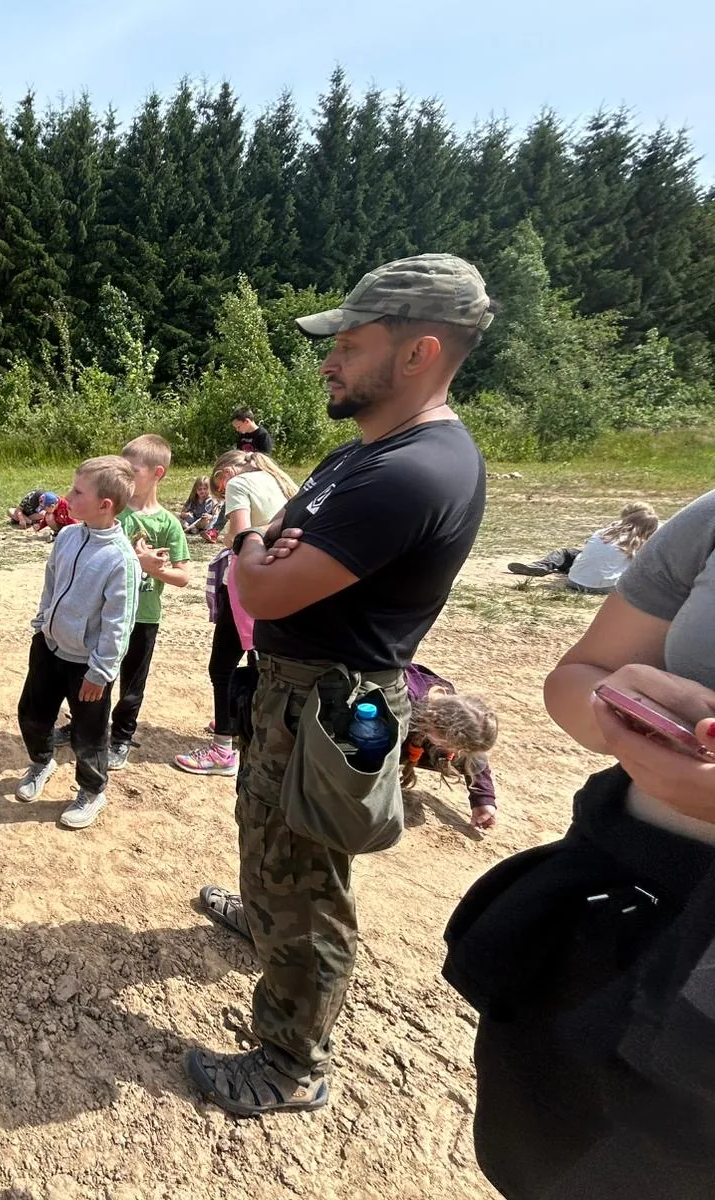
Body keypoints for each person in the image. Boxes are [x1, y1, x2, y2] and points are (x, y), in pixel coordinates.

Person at [188, 255, 494, 1117]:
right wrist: (268, 546)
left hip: (338, 703)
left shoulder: (414, 471)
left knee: (312, 886)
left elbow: (264, 581)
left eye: (350, 345)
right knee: (267, 831)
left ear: (418, 353)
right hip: (294, 691)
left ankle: (291, 1063)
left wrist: (249, 545)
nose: (329, 362)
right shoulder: (363, 453)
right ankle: (260, 916)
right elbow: (282, 542)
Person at [446, 487, 715, 1198]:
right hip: (620, 896)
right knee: (536, 1139)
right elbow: (578, 677)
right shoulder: (710, 519)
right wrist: (629, 711)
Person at [14, 456, 140, 830]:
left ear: (104, 505)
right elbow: (51, 583)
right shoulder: (68, 536)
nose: (67, 496)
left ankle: (91, 790)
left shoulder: (121, 560)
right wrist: (42, 624)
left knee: (89, 734)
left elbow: (119, 624)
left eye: (77, 491)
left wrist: (100, 673)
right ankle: (41, 762)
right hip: (49, 648)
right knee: (32, 715)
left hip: (88, 665)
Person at [53, 435, 188, 771]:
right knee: (94, 674)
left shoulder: (167, 523)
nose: (125, 472)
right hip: (102, 615)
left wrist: (154, 570)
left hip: (143, 616)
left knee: (131, 683)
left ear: (158, 473)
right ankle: (81, 725)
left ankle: (123, 736)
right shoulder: (112, 512)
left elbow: (183, 576)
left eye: (133, 468)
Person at [175, 450, 299, 777]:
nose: (222, 490)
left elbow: (239, 537)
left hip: (248, 581)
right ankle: (244, 720)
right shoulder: (281, 482)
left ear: (226, 472)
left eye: (219, 485)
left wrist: (232, 536)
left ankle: (222, 750)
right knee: (259, 659)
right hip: (279, 581)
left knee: (223, 665)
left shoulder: (240, 482)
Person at [402, 664, 500, 830]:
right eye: (452, 747)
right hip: (390, 738)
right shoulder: (405, 704)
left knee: (468, 760)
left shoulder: (448, 708)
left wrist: (483, 799)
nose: (456, 753)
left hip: (418, 735)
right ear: (437, 733)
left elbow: (474, 758)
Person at [507, 502, 660, 594]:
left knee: (567, 553)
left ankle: (542, 566)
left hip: (574, 581)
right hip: (607, 587)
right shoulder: (645, 540)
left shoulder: (604, 531)